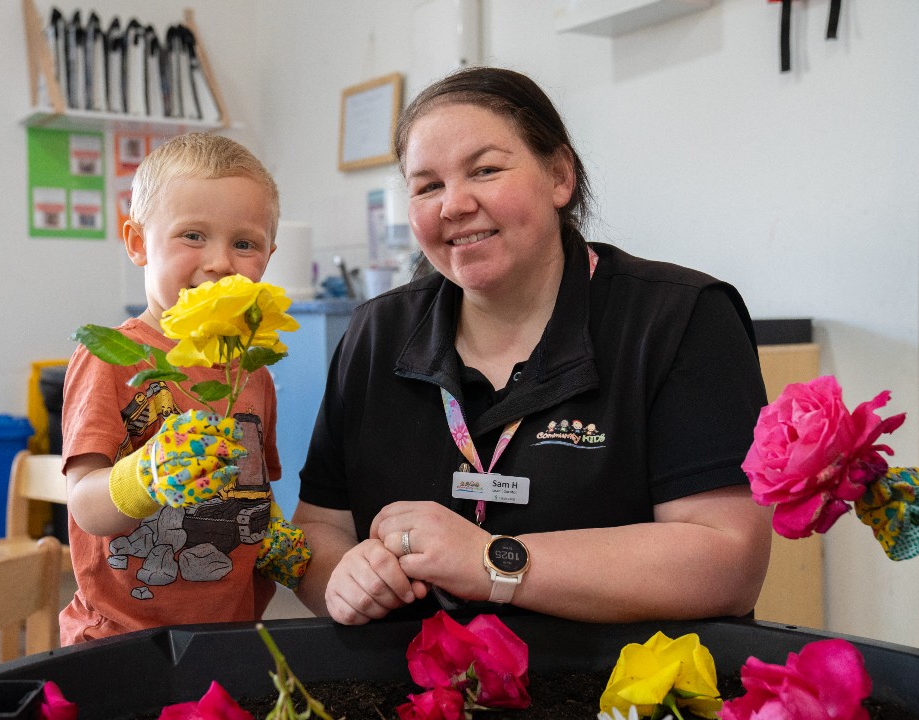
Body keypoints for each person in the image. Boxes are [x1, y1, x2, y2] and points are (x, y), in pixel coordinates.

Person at [292, 67, 771, 626]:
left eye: (486, 170)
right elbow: (319, 529)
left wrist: (493, 562)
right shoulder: (377, 332)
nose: (453, 204)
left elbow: (728, 562)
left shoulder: (677, 318)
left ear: (560, 176)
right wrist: (345, 579)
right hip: (412, 690)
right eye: (427, 186)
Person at [61, 133, 287, 644]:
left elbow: (254, 491)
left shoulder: (254, 370)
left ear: (267, 258)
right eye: (193, 235)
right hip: (119, 636)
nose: (220, 262)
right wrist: (148, 473)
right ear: (138, 243)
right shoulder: (108, 359)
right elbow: (86, 506)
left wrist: (281, 542)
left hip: (229, 634)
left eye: (244, 243)